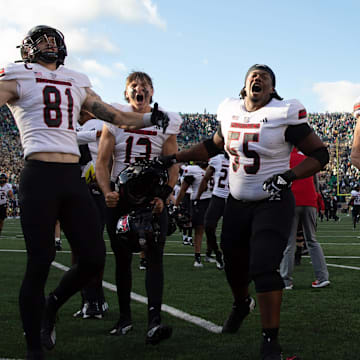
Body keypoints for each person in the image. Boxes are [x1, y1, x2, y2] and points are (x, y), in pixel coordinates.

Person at [0, 25, 169, 360]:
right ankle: (35, 347)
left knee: (92, 258)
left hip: (70, 177)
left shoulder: (77, 78)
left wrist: (150, 116)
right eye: (41, 39)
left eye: (53, 38)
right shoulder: (17, 73)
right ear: (27, 49)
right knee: (40, 260)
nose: (48, 43)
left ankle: (53, 304)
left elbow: (114, 114)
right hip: (38, 172)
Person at [158, 64, 329, 360]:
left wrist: (288, 176)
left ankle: (270, 340)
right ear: (244, 84)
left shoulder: (284, 113)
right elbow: (212, 147)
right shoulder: (230, 111)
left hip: (272, 201)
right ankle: (241, 304)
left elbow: (321, 154)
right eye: (253, 75)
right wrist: (175, 157)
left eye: (265, 77)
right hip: (237, 202)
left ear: (273, 88)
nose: (258, 78)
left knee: (263, 267)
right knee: (234, 266)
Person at [96, 71, 181, 344]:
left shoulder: (165, 121)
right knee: (122, 259)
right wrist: (107, 191)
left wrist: (165, 195)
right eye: (133, 85)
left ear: (152, 93)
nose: (139, 88)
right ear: (126, 94)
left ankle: (154, 321)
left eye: (144, 85)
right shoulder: (114, 119)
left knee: (154, 258)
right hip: (121, 198)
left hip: (151, 199)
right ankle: (125, 317)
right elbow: (101, 162)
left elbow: (173, 162)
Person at [280, 147, 330, 290]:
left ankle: (286, 281)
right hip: (310, 201)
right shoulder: (308, 159)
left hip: (292, 201)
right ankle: (322, 278)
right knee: (312, 240)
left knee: (289, 243)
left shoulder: (284, 159)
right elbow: (316, 184)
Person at [195, 152, 230, 270]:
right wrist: (197, 197)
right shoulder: (217, 159)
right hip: (217, 197)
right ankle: (217, 253)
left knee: (229, 232)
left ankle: (228, 257)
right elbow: (206, 178)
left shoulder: (240, 158)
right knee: (208, 226)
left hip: (233, 198)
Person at [175, 161, 212, 267]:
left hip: (213, 200)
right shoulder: (192, 170)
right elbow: (183, 190)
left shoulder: (215, 165)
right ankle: (197, 257)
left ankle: (209, 254)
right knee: (199, 229)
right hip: (198, 201)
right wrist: (176, 205)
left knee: (211, 229)